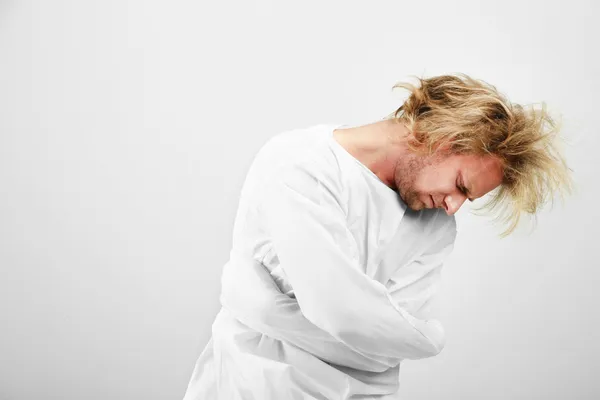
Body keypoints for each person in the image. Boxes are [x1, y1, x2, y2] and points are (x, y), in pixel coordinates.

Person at [182, 74, 573, 399]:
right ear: (441, 137)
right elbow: (343, 314)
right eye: (460, 185)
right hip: (241, 387)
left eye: (466, 199)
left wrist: (259, 307)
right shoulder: (300, 162)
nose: (454, 207)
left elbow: (377, 348)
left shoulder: (435, 227)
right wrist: (420, 338)